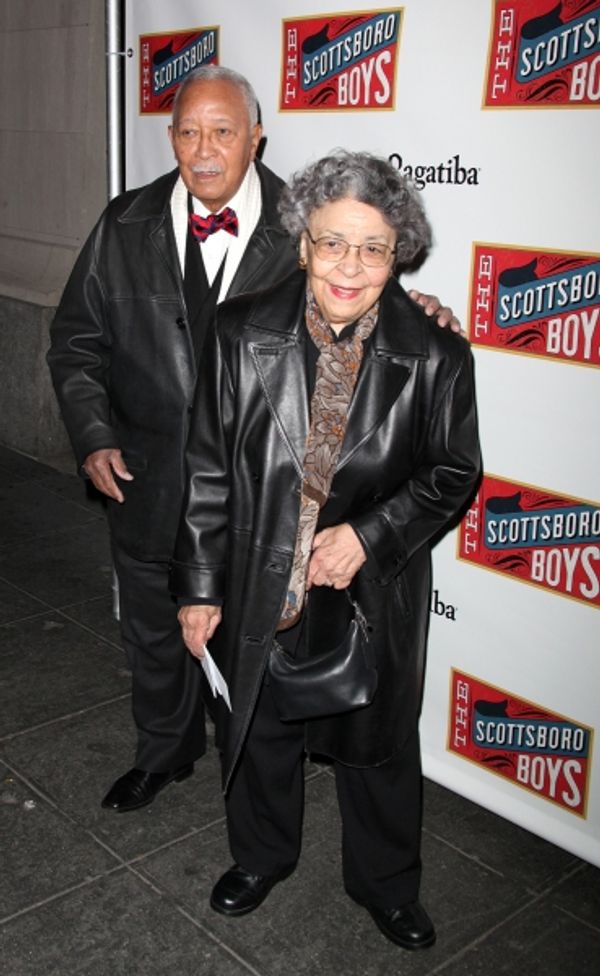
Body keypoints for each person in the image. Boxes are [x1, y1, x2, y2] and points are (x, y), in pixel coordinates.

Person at [47, 65, 461, 815]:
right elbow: (76, 340)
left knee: (254, 650)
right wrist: (93, 435)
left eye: (223, 131)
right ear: (170, 137)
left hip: (258, 498)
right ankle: (164, 753)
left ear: (255, 136)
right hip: (146, 479)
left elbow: (358, 282)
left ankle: (257, 773)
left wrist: (417, 307)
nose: (204, 149)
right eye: (187, 132)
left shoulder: (302, 220)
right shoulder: (124, 223)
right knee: (153, 633)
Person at [172, 150, 481, 952]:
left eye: (373, 247)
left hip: (372, 592)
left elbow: (454, 471)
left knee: (377, 746)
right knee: (258, 726)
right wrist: (199, 585)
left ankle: (385, 884)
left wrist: (370, 536)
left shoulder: (437, 355)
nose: (351, 265)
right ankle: (262, 856)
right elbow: (207, 467)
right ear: (303, 244)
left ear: (399, 253)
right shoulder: (241, 332)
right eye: (333, 243)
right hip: (256, 577)